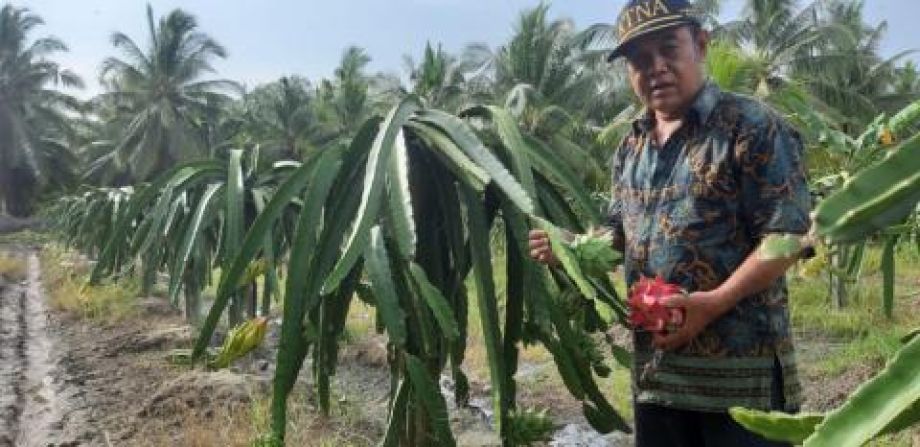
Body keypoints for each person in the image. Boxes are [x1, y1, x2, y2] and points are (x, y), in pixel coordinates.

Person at [528, 1, 813, 446]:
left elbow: (787, 236)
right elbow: (619, 234)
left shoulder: (752, 126)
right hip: (657, 375)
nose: (656, 68)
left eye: (668, 49)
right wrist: (571, 246)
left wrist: (713, 302)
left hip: (741, 380)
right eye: (640, 60)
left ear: (700, 44)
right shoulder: (631, 146)